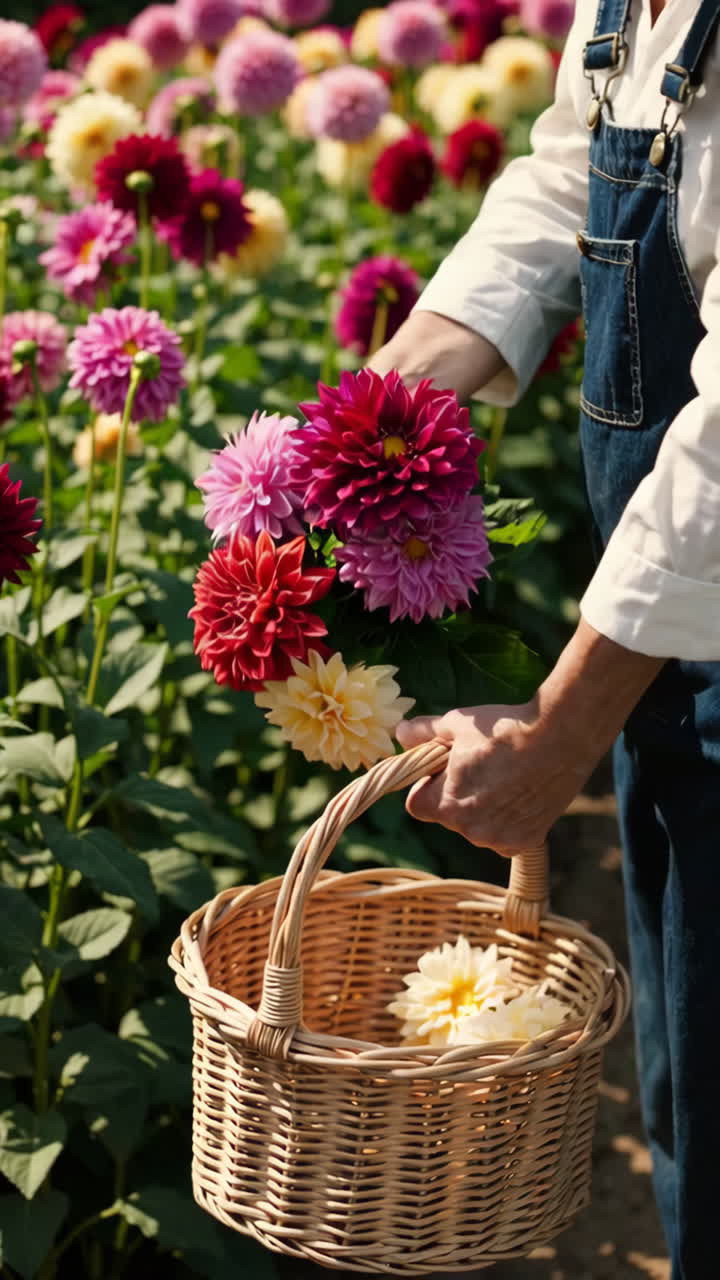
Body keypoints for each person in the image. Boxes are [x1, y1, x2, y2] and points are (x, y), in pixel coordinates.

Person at [368, 0, 720, 1275]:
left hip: (692, 597)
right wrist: (390, 402)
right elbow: (581, 151)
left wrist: (562, 728)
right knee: (690, 1077)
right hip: (672, 648)